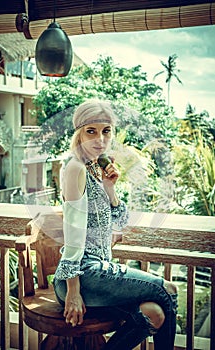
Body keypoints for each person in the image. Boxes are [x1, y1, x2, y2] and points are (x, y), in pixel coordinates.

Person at [53, 99, 178, 350]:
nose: (100, 139)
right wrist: (73, 290)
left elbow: (118, 224)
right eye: (92, 131)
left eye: (106, 131)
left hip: (100, 270)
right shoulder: (75, 168)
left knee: (155, 314)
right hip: (83, 274)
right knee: (169, 290)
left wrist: (111, 189)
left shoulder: (95, 170)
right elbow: (73, 235)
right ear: (79, 134)